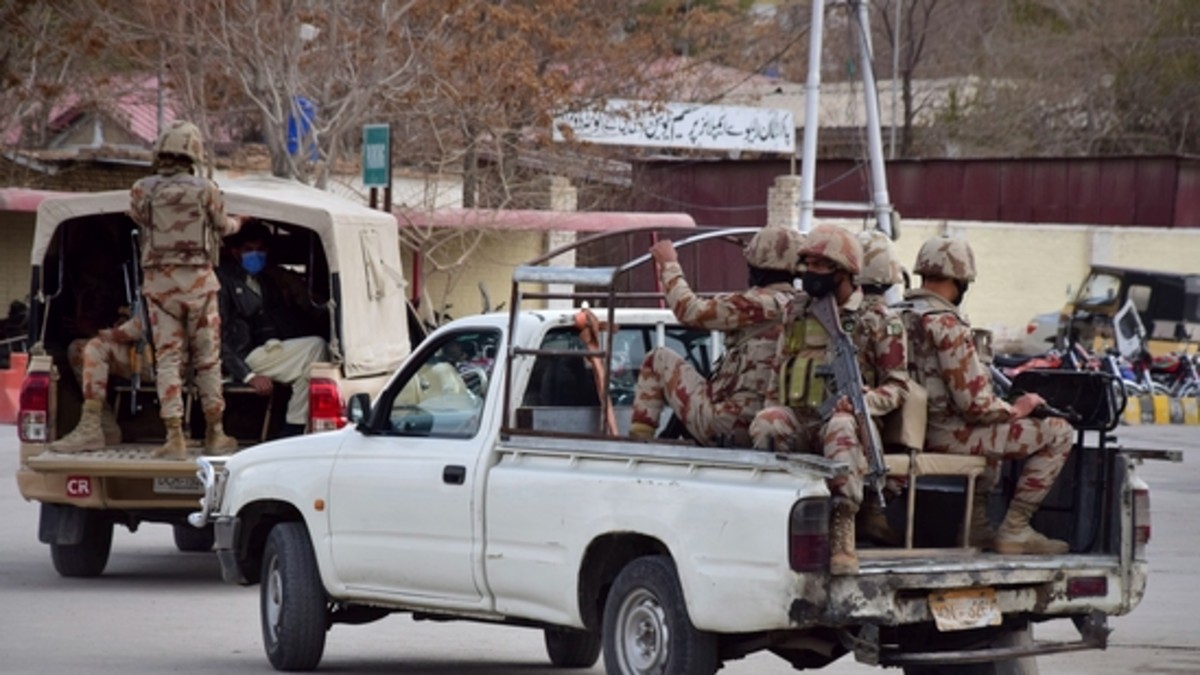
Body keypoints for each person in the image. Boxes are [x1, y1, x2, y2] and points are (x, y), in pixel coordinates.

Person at [750, 224, 910, 574]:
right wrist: (771, 408)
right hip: (801, 418)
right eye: (807, 264)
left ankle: (842, 531)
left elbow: (898, 387)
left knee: (840, 426)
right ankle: (778, 520)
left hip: (849, 424)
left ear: (843, 271)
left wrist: (865, 400)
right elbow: (779, 371)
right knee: (767, 422)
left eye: (820, 266)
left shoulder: (878, 319)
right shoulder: (796, 311)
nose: (810, 273)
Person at [901, 236, 1073, 555]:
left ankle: (976, 526)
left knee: (992, 434)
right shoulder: (945, 323)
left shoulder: (897, 315)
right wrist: (1019, 408)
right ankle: (1016, 528)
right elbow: (976, 406)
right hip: (943, 434)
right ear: (960, 279)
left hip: (908, 432)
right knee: (1059, 432)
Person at [628, 227, 803, 446]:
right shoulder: (799, 306)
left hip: (728, 423)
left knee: (658, 359)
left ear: (756, 267)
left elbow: (689, 311)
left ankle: (639, 444)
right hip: (771, 422)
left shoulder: (758, 303)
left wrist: (669, 264)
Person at [130, 120, 240, 459]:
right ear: (194, 152)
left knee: (168, 360)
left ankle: (174, 436)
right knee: (207, 361)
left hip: (160, 288)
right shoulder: (206, 189)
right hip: (200, 287)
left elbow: (138, 218)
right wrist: (239, 223)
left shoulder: (142, 189)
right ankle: (215, 433)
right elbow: (222, 226)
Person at [217, 221, 328, 437]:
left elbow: (282, 322)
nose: (255, 255)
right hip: (241, 357)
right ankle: (293, 430)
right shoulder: (223, 281)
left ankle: (294, 429)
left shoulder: (266, 282)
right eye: (249, 249)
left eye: (260, 249)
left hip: (265, 348)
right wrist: (247, 375)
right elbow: (215, 336)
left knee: (314, 365)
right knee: (315, 348)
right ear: (235, 252)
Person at [48, 316, 155, 453]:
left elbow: (138, 328)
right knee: (79, 349)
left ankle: (91, 428)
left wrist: (106, 333)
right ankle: (104, 426)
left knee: (96, 347)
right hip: (146, 352)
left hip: (167, 359)